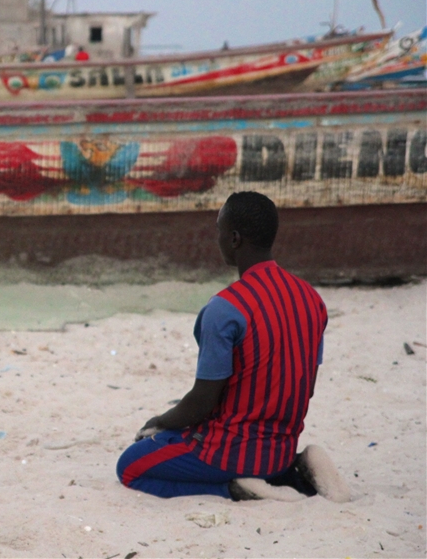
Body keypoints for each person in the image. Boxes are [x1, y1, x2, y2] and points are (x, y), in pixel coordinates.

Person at [116, 191, 351, 502]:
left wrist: (159, 421)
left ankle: (233, 489)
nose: (218, 238)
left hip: (228, 452)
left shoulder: (225, 308)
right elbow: (304, 388)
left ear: (235, 239)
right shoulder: (311, 299)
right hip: (280, 448)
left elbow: (203, 402)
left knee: (131, 465)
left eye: (219, 230)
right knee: (175, 435)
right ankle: (293, 470)